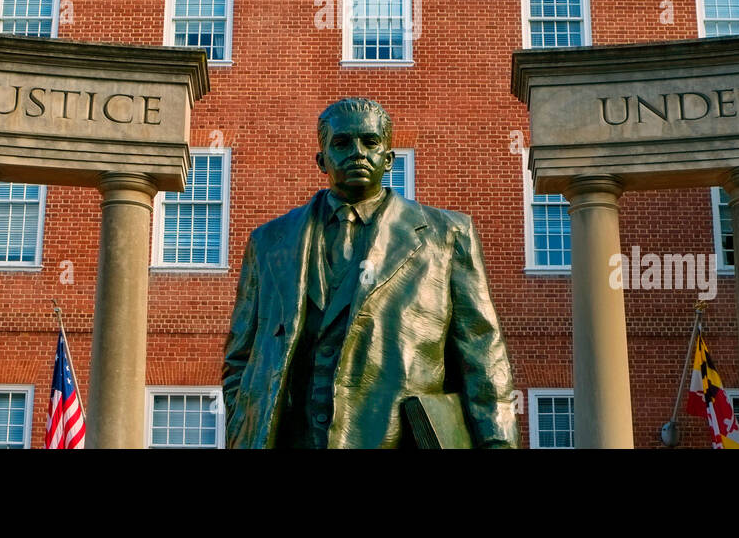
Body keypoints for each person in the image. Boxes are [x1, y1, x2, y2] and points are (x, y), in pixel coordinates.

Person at [221, 97, 518, 448]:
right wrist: (245, 422)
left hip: (402, 439)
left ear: (389, 159)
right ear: (322, 159)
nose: (357, 152)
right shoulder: (270, 242)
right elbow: (240, 356)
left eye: (370, 142)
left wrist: (498, 443)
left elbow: (483, 356)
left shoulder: (447, 235)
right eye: (342, 143)